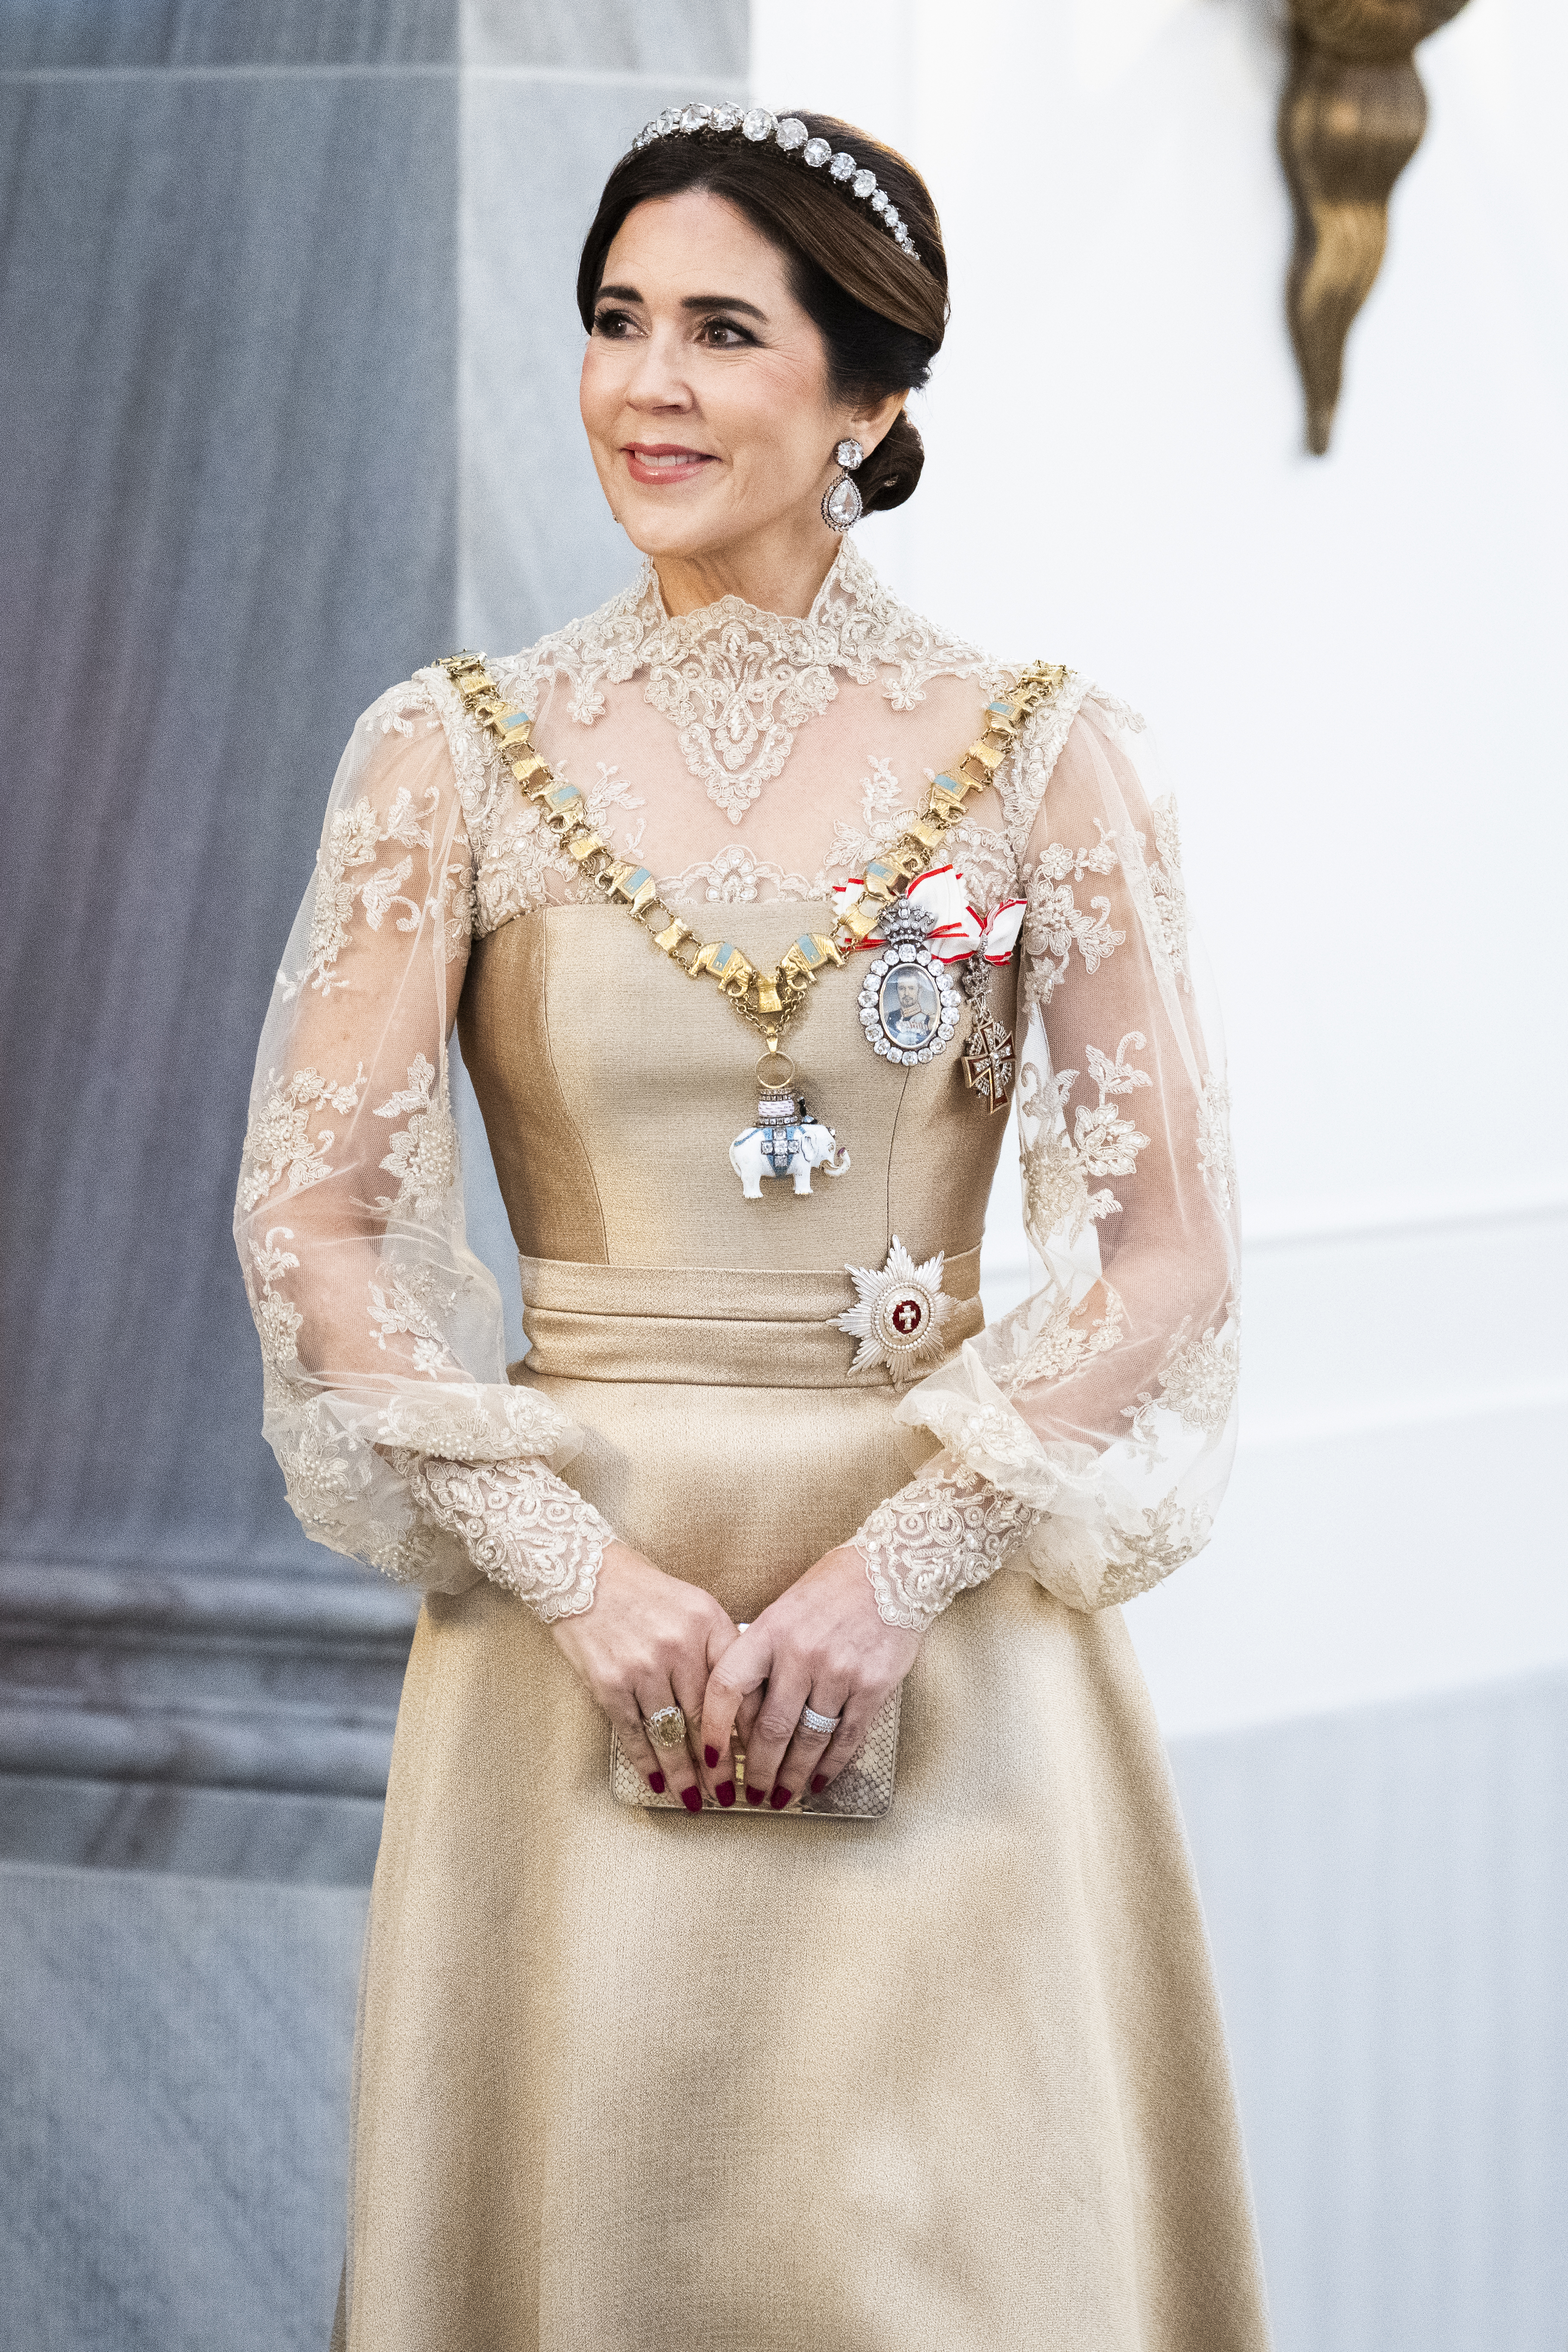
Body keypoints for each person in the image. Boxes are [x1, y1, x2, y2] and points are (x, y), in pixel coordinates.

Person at [236, 103, 1267, 2352]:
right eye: (615, 322)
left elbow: (1166, 1243)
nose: (649, 387)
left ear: (874, 399)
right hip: (571, 1628)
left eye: (722, 329)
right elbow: (313, 1220)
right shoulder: (457, 753)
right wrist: (575, 1576)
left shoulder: (1031, 757)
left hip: (944, 1610)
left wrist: (892, 1578)